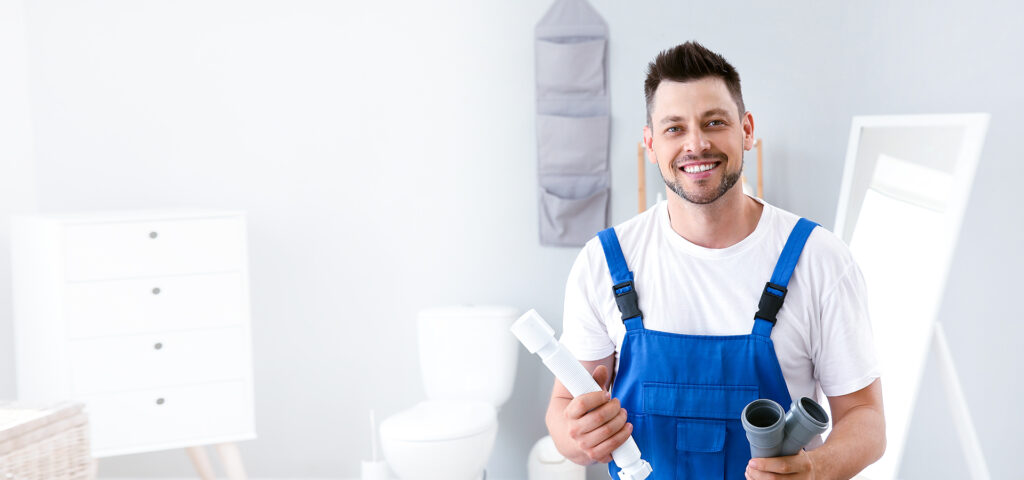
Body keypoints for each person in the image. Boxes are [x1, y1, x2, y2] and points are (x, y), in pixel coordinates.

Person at [545, 41, 885, 479]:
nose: (697, 144)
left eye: (714, 122)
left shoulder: (819, 260)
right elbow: (563, 407)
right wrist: (577, 437)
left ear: (747, 130)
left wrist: (815, 469)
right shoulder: (604, 263)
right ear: (650, 144)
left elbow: (865, 418)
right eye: (674, 128)